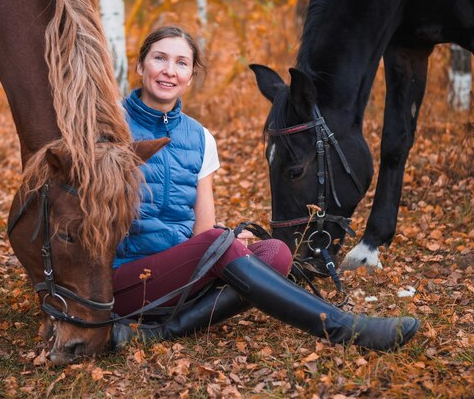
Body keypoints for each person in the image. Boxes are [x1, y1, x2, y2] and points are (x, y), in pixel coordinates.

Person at [111, 25, 419, 351]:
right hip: (126, 281)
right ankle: (346, 329)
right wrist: (218, 244)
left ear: (191, 75)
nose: (169, 71)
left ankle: (160, 332)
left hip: (179, 282)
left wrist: (225, 244)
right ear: (140, 66)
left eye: (181, 63)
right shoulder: (109, 122)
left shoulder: (200, 138)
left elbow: (202, 232)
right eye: (159, 58)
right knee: (218, 241)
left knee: (276, 252)